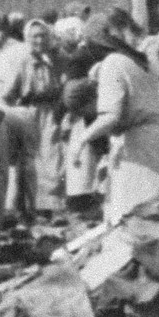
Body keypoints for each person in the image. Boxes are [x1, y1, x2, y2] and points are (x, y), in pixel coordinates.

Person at [71, 11, 159, 225]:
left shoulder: (113, 63)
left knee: (133, 217)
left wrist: (81, 140)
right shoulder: (142, 63)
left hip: (138, 147)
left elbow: (111, 117)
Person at [0, 18, 64, 222]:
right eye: (35, 36)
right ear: (28, 39)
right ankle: (26, 208)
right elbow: (8, 93)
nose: (39, 40)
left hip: (49, 113)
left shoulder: (51, 60)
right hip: (29, 113)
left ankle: (48, 207)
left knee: (51, 158)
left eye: (43, 36)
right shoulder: (21, 61)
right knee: (29, 161)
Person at [60, 78, 104, 217]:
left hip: (85, 138)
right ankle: (84, 204)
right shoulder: (76, 118)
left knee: (86, 169)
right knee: (82, 170)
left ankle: (86, 202)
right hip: (81, 142)